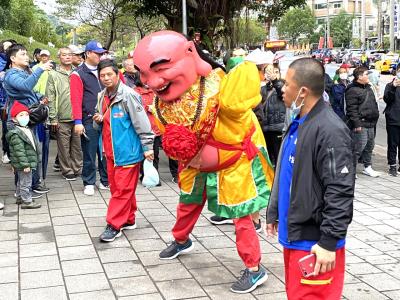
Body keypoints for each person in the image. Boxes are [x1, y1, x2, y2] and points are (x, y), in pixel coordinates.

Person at [133, 31, 274, 294]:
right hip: (194, 165)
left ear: (190, 53)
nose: (152, 81)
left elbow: (239, 117)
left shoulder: (220, 90)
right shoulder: (164, 103)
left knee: (241, 217)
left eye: (161, 69)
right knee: (187, 204)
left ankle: (255, 269)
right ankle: (181, 240)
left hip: (233, 165)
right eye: (144, 73)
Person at [266, 57, 354, 300]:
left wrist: (328, 243)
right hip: (295, 235)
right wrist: (274, 212)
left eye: (287, 84)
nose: (283, 89)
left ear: (302, 91)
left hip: (314, 241)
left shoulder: (330, 130)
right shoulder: (300, 124)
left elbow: (340, 190)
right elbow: (288, 174)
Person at [93, 59, 154, 242]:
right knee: (118, 189)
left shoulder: (128, 95)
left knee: (121, 191)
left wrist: (148, 147)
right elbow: (101, 124)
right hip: (110, 152)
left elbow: (142, 123)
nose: (106, 78)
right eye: (102, 75)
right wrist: (98, 120)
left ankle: (114, 225)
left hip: (128, 152)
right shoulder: (101, 96)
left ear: (117, 74)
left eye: (109, 74)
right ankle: (128, 219)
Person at [4, 43, 51, 195]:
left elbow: (29, 91)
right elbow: (25, 86)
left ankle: (33, 184)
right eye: (22, 54)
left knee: (33, 153)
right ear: (13, 58)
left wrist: (40, 97)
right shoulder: (11, 75)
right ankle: (22, 191)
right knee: (22, 156)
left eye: (26, 54)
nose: (26, 57)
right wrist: (39, 69)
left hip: (27, 119)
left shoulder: (23, 71)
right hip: (17, 122)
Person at [70, 40, 109, 196]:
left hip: (106, 117)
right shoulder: (77, 73)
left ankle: (105, 180)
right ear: (87, 53)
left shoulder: (105, 71)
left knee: (105, 151)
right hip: (88, 118)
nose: (100, 56)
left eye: (102, 53)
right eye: (97, 53)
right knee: (89, 152)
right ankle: (89, 182)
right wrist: (78, 122)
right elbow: (76, 99)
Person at [46, 47, 82, 181]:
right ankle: (66, 170)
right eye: (64, 55)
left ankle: (77, 168)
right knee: (64, 146)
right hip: (62, 117)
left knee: (77, 146)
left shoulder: (78, 73)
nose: (67, 57)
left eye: (69, 55)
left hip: (78, 116)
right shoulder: (53, 75)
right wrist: (53, 118)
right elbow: (50, 96)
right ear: (59, 57)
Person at [345, 66, 380, 177]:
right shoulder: (352, 89)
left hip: (371, 123)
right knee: (358, 148)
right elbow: (351, 109)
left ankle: (367, 167)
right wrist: (357, 123)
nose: (368, 76)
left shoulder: (368, 87)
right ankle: (351, 169)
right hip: (361, 123)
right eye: (366, 74)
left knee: (370, 146)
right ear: (360, 77)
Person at [6, 102, 42, 209]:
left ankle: (20, 196)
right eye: (21, 115)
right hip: (24, 163)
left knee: (21, 181)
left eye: (26, 114)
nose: (25, 117)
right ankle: (27, 201)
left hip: (26, 161)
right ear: (14, 119)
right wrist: (25, 164)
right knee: (26, 182)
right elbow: (19, 151)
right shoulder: (16, 134)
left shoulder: (25, 129)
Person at [383, 65, 400, 176]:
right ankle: (392, 165)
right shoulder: (390, 86)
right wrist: (393, 87)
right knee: (393, 144)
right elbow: (387, 99)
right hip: (393, 119)